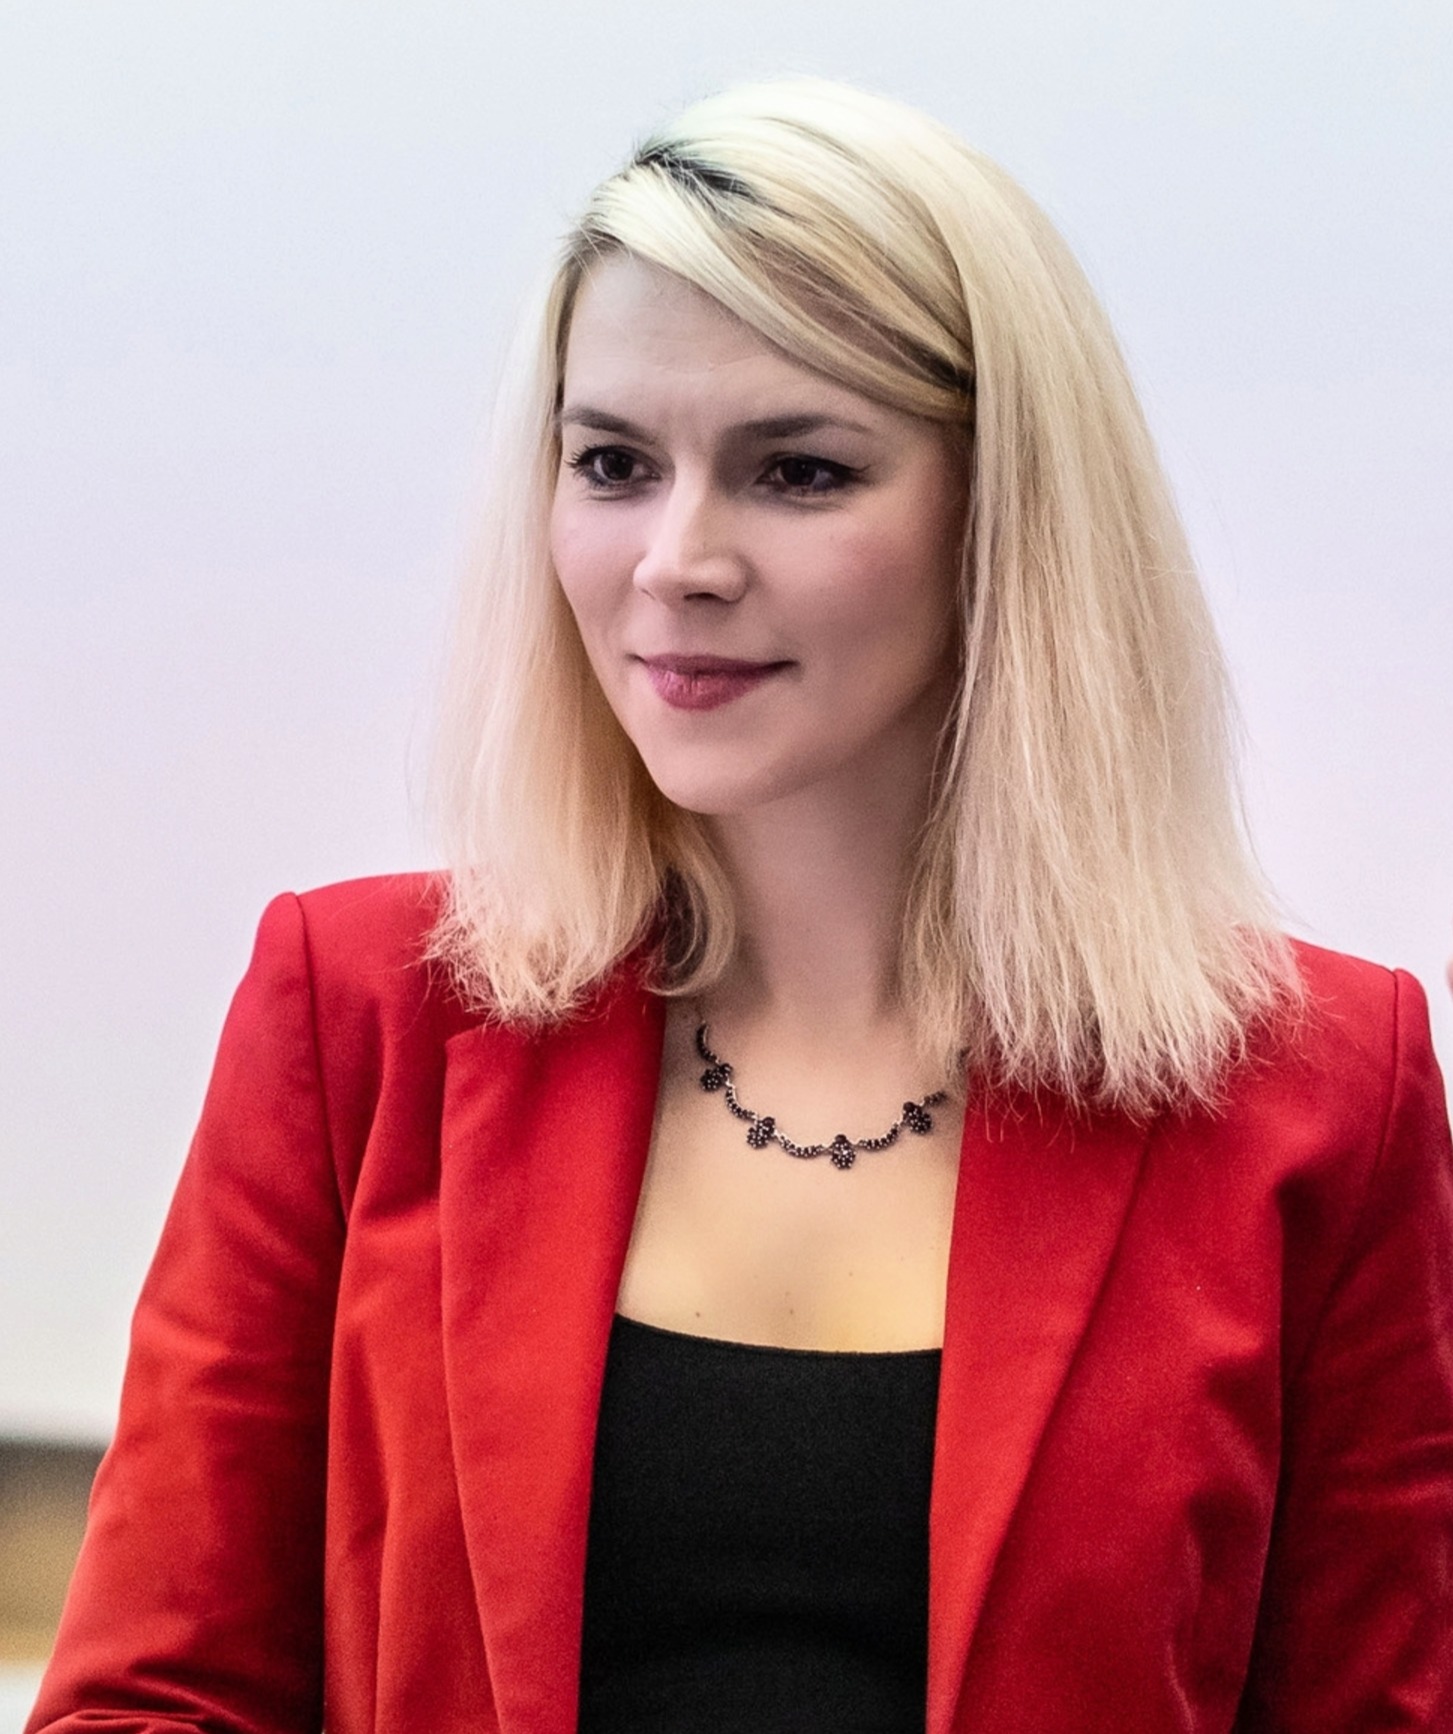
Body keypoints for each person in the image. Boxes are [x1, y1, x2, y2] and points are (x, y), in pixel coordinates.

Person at [27, 77, 1453, 1734]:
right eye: (613, 462)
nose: (675, 560)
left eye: (797, 470)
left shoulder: (1326, 1091)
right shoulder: (356, 1014)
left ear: (1005, 514)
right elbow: (150, 1696)